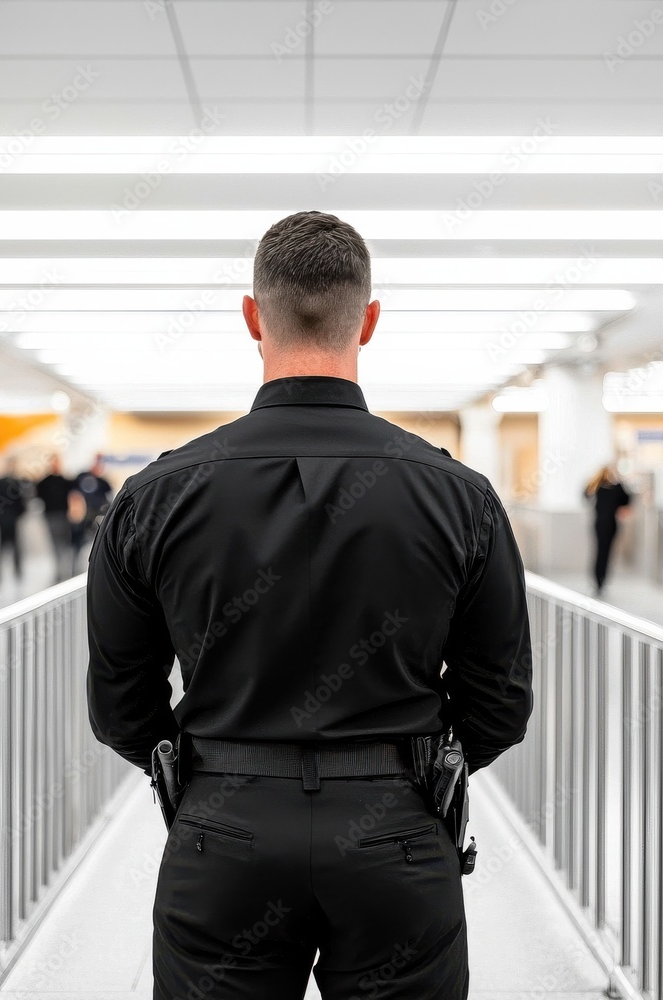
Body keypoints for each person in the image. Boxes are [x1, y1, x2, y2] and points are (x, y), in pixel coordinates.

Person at [86, 210, 533, 1000]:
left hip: (222, 833)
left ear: (253, 317)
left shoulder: (154, 497)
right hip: (397, 834)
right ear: (368, 321)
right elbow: (498, 705)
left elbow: (122, 707)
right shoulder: (458, 497)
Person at [584, 464, 632, 596]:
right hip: (603, 524)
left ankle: (601, 579)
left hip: (608, 524)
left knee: (605, 552)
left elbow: (627, 500)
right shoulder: (598, 487)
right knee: (601, 551)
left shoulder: (615, 487)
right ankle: (598, 578)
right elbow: (585, 495)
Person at [36, 456, 77, 584]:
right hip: (51, 515)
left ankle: (66, 570)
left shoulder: (64, 481)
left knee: (65, 544)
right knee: (55, 544)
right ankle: (59, 570)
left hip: (63, 515)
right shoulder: (45, 482)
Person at [71, 454, 113, 570]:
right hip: (81, 516)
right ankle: (75, 570)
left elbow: (109, 498)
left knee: (96, 543)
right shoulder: (82, 477)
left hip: (97, 516)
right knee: (78, 544)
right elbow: (73, 495)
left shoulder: (103, 482)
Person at [0, 456, 26, 582]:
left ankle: (1, 574)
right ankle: (14, 573)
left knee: (8, 548)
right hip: (9, 520)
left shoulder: (3, 483)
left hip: (6, 520)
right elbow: (21, 504)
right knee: (11, 548)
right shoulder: (15, 484)